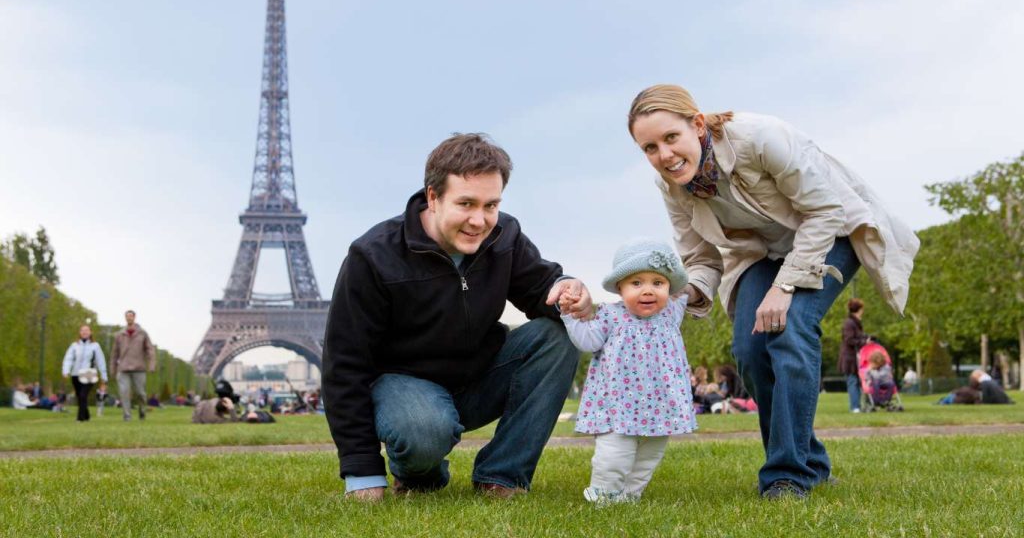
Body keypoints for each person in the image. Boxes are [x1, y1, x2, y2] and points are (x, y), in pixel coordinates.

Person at [628, 84, 919, 499]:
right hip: (761, 254)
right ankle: (810, 461)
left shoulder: (761, 137)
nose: (665, 156)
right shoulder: (672, 185)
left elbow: (824, 210)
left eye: (671, 138)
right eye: (650, 148)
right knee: (749, 350)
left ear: (696, 124)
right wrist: (686, 293)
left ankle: (786, 475)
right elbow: (701, 258)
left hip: (829, 232)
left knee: (790, 328)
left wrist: (785, 285)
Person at [322, 133, 591, 502]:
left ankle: (502, 475)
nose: (480, 220)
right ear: (433, 197)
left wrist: (566, 289)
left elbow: (540, 287)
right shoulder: (372, 256)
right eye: (466, 203)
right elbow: (344, 364)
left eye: (491, 205)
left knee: (557, 336)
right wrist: (361, 471)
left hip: (479, 374)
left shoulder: (505, 235)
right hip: (406, 387)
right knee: (423, 429)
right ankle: (418, 471)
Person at [560, 239, 696, 504]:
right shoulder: (611, 315)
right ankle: (604, 494)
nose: (648, 291)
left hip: (661, 403)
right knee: (614, 454)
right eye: (636, 283)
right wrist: (569, 315)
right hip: (618, 403)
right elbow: (588, 341)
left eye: (658, 283)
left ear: (670, 287)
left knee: (650, 454)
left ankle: (629, 495)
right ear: (620, 288)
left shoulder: (672, 312)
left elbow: (695, 283)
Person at [110, 310, 156, 421]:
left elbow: (150, 349)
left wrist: (152, 364)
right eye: (127, 316)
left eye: (131, 316)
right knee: (124, 392)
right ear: (125, 318)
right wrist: (112, 369)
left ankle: (142, 410)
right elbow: (114, 353)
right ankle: (127, 416)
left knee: (140, 393)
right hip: (123, 368)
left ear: (134, 317)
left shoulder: (143, 333)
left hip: (139, 368)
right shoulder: (119, 335)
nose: (129, 318)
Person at [61, 324, 109, 422]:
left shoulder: (95, 346)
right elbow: (68, 359)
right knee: (80, 397)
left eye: (87, 330)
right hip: (76, 374)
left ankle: (80, 418)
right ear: (79, 332)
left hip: (89, 373)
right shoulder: (74, 345)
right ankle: (86, 415)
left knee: (83, 395)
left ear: (90, 332)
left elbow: (100, 361)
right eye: (82, 330)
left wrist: (104, 376)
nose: (84, 332)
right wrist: (66, 370)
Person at [840, 299, 867, 413]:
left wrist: (866, 338)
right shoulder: (849, 323)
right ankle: (855, 407)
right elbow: (849, 340)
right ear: (859, 310)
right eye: (862, 309)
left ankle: (858, 406)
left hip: (856, 358)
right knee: (853, 381)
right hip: (850, 358)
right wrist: (864, 342)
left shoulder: (855, 323)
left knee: (857, 381)